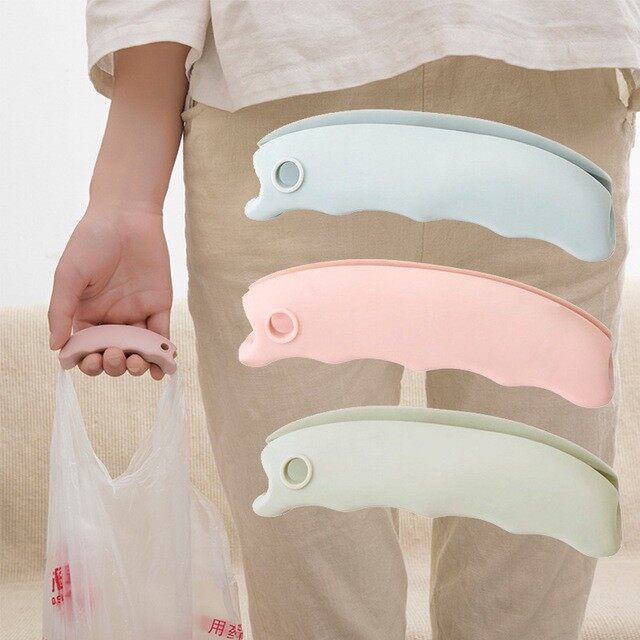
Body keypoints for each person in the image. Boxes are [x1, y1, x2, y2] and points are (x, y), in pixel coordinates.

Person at [49, 3, 640, 639]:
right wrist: (126, 198)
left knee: (525, 588)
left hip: (553, 87)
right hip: (286, 98)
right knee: (317, 582)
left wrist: (128, 198)